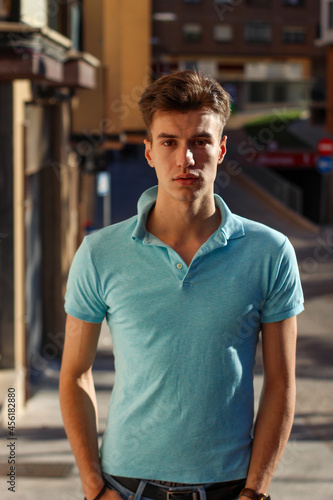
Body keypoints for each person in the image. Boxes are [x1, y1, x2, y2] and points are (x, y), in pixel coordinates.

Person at [59, 70, 304, 500]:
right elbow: (75, 373)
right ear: (150, 151)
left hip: (229, 487)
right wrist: (93, 487)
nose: (185, 160)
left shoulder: (271, 252)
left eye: (200, 142)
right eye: (170, 142)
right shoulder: (99, 253)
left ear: (221, 148)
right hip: (126, 486)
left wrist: (256, 492)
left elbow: (282, 383)